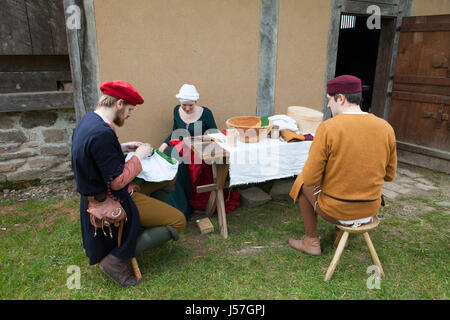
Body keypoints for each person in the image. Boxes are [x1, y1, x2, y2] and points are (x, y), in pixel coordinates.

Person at [71, 80, 186, 288]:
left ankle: (145, 221)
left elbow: (95, 154)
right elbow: (118, 182)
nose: (130, 114)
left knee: (170, 177)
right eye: (130, 109)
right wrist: (139, 156)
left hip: (102, 192)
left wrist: (123, 147)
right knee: (179, 221)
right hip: (111, 200)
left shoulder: (89, 121)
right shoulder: (102, 133)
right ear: (119, 103)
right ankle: (116, 258)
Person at [287, 75, 397, 255]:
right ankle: (339, 235)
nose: (328, 105)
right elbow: (390, 175)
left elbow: (310, 177)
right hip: (369, 208)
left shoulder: (328, 128)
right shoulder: (386, 127)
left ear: (341, 98)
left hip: (336, 209)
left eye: (330, 99)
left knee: (301, 181)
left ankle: (311, 241)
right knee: (347, 179)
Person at [158, 84, 220, 220]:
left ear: (196, 102)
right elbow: (175, 132)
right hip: (180, 150)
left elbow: (215, 134)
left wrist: (198, 139)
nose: (186, 108)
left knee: (177, 161)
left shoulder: (206, 113)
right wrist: (164, 143)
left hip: (198, 153)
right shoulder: (176, 111)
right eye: (183, 105)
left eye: (190, 105)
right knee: (172, 162)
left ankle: (183, 209)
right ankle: (175, 209)